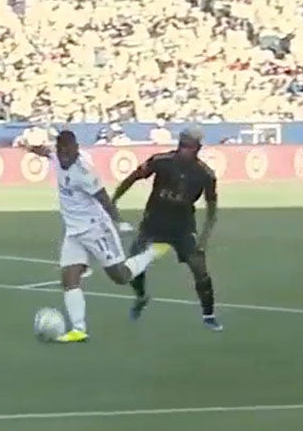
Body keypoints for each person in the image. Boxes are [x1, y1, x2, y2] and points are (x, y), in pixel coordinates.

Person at [29, 130, 161, 342]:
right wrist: (31, 149)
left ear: (76, 149)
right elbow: (46, 152)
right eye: (60, 149)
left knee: (120, 276)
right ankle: (78, 329)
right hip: (73, 231)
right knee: (69, 277)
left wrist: (119, 222)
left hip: (95, 229)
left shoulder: (84, 172)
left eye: (67, 150)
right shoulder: (56, 157)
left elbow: (103, 198)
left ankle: (153, 252)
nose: (63, 154)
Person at [113, 128, 222, 330]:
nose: (187, 150)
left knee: (200, 269)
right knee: (134, 262)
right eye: (184, 145)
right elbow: (132, 178)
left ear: (198, 148)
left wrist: (204, 240)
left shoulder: (205, 174)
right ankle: (141, 296)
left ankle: (209, 315)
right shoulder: (161, 161)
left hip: (182, 226)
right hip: (154, 221)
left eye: (192, 147)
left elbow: (212, 210)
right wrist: (113, 200)